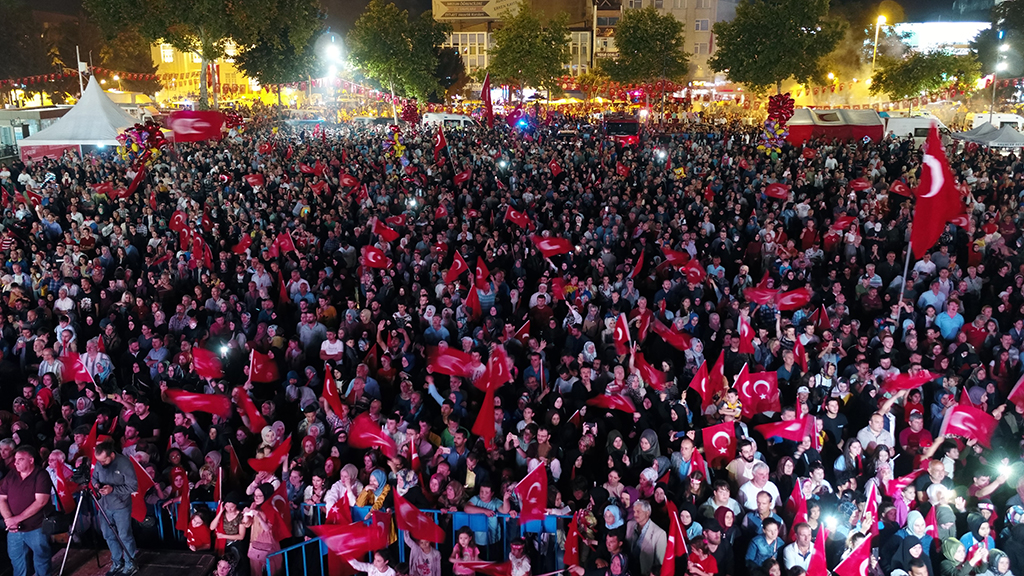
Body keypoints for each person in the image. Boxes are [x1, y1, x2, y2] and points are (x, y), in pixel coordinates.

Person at [0, 446, 52, 576]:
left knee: (41, 558)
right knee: (16, 559)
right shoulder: (12, 474)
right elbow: (1, 499)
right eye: (15, 459)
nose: (16, 462)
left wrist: (15, 519)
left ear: (31, 460)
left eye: (20, 459)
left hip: (36, 527)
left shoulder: (41, 475)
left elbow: (41, 501)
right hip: (14, 529)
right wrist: (8, 519)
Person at [92, 441, 139, 576]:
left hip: (120, 506)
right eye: (99, 461)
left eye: (104, 460)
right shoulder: (100, 464)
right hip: (104, 505)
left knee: (124, 535)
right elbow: (94, 477)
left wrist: (113, 489)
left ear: (112, 454)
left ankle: (131, 564)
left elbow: (133, 486)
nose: (101, 463)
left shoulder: (124, 464)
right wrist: (96, 485)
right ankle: (117, 562)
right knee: (108, 535)